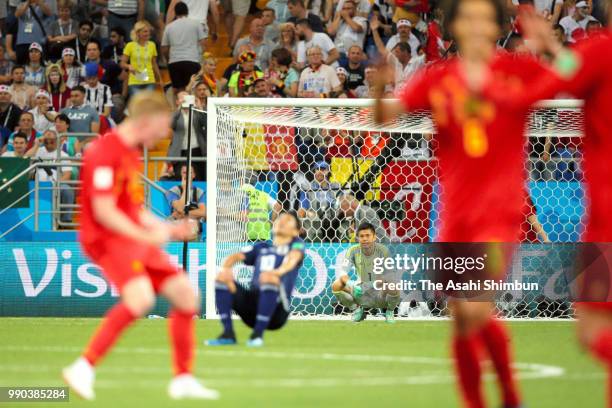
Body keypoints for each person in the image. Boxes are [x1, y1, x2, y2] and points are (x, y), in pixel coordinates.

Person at [374, 0, 560, 406]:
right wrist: (377, 90)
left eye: (483, 17)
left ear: (497, 26)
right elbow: (386, 117)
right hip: (456, 213)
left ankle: (510, 397)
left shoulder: (518, 70)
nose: (475, 24)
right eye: (466, 17)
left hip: (499, 211)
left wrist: (553, 51)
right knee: (462, 318)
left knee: (474, 308)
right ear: (453, 26)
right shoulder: (439, 78)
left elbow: (574, 80)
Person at [61, 91, 219, 401]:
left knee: (186, 296)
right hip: (105, 238)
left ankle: (183, 380)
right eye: (162, 128)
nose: (163, 136)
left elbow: (134, 210)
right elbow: (106, 212)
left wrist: (168, 229)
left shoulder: (131, 153)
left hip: (129, 236)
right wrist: (149, 236)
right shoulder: (103, 152)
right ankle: (83, 367)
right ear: (147, 120)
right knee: (141, 298)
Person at [522, 3, 612, 405]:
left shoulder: (600, 51)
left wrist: (544, 52)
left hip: (606, 219)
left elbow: (539, 92)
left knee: (591, 330)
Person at [205, 211, 305, 347]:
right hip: (251, 308)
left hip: (277, 312)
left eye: (287, 220)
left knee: (270, 278)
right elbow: (235, 257)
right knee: (221, 278)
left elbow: (293, 259)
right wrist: (226, 269)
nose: (281, 221)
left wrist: (276, 273)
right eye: (280, 218)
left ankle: (257, 335)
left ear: (295, 231)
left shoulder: (296, 244)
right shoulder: (262, 247)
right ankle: (228, 334)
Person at [331, 222, 399, 322]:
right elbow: (342, 273)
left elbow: (390, 274)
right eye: (362, 236)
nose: (365, 239)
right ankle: (356, 309)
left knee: (394, 285)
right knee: (336, 284)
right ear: (358, 238)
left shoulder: (383, 250)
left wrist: (381, 282)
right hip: (361, 291)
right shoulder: (353, 250)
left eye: (368, 235)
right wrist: (352, 285)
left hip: (379, 293)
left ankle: (389, 311)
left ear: (374, 237)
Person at [29, 128, 75, 223]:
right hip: (36, 183)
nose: (49, 143)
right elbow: (25, 160)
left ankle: (65, 220)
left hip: (56, 184)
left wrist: (57, 184)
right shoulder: (37, 151)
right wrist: (36, 144)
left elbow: (67, 174)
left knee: (67, 190)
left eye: (52, 141)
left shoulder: (63, 155)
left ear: (57, 141)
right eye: (46, 140)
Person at [161, 1, 207, 92]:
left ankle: (178, 106)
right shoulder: (196, 24)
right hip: (192, 61)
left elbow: (164, 48)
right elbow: (203, 43)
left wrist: (168, 60)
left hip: (174, 62)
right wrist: (200, 57)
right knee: (193, 90)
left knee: (178, 91)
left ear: (175, 12)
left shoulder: (169, 27)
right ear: (187, 11)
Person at [167, 91, 207, 180]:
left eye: (186, 97)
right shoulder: (175, 115)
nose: (185, 100)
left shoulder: (196, 112)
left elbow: (206, 123)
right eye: (182, 98)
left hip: (197, 149)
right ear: (177, 101)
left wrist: (200, 107)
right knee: (180, 176)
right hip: (180, 151)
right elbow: (171, 125)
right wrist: (179, 109)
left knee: (198, 176)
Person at [166, 163, 206, 241]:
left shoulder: (200, 192)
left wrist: (183, 214)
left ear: (194, 175)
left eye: (190, 172)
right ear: (181, 174)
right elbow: (180, 208)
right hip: (176, 224)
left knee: (192, 227)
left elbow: (203, 212)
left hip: (192, 225)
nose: (187, 175)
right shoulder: (172, 191)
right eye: (184, 172)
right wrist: (185, 189)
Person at [121, 20, 161, 96]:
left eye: (148, 31)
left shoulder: (152, 45)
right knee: (137, 105)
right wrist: (129, 66)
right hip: (134, 80)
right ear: (138, 33)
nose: (148, 34)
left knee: (148, 105)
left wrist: (159, 78)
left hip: (150, 80)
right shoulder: (130, 45)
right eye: (145, 31)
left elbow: (154, 63)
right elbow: (122, 63)